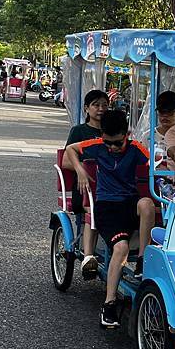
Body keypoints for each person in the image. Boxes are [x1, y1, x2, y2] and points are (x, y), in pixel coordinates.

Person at [64, 110, 155, 329]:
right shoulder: (96, 145)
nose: (112, 148)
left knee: (147, 204)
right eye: (108, 143)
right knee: (121, 248)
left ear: (127, 134)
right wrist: (81, 170)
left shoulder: (136, 149)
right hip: (106, 207)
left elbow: (155, 162)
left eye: (117, 143)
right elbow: (70, 149)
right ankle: (109, 304)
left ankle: (143, 260)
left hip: (129, 203)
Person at [64, 90, 109, 279]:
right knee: (94, 206)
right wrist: (82, 168)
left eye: (104, 105)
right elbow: (65, 160)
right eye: (96, 105)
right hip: (85, 188)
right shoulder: (79, 131)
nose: (100, 109)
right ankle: (88, 256)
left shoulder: (112, 130)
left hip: (108, 185)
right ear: (86, 108)